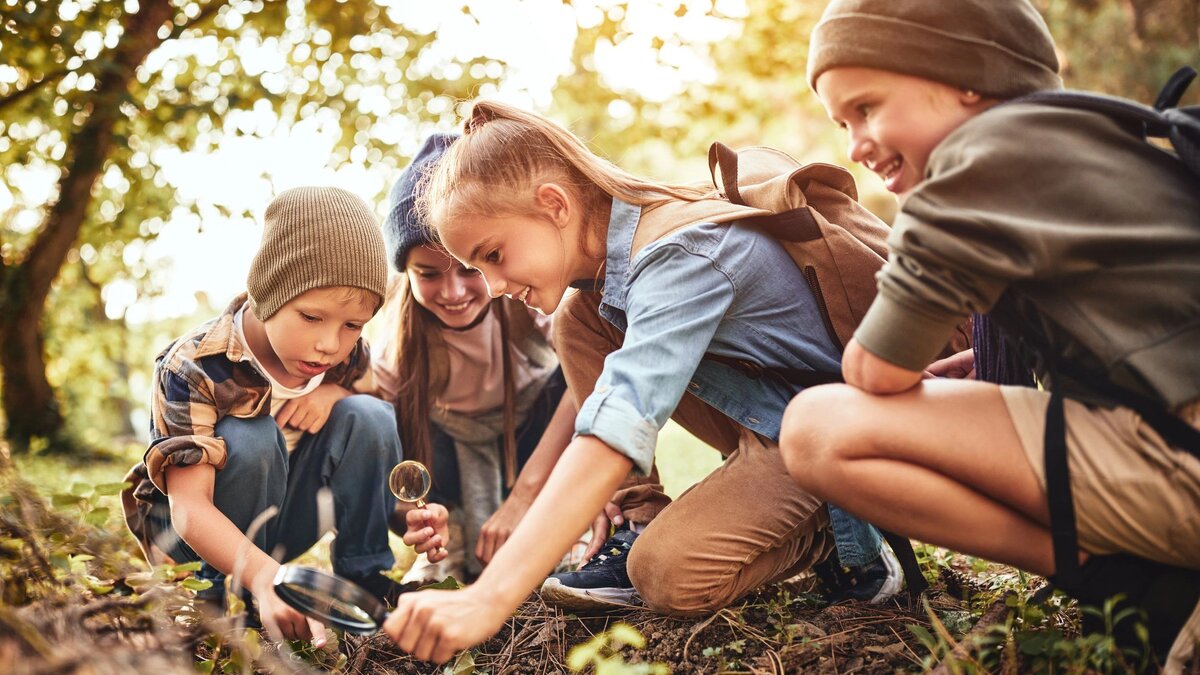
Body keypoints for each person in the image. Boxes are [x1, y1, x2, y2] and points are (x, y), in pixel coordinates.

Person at [379, 99, 919, 663]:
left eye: (492, 256)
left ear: (553, 204)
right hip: (776, 422)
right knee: (579, 319)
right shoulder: (601, 290)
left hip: (838, 435)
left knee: (666, 574)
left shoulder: (679, 256)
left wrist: (488, 598)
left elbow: (620, 420)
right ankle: (639, 520)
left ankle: (841, 527)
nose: (489, 286)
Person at [779, 1, 1200, 671]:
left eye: (866, 108)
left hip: (1182, 466)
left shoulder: (979, 159)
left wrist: (884, 363)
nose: (853, 145)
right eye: (840, 122)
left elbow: (874, 371)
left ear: (964, 79)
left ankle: (1116, 576)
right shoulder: (1078, 134)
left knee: (816, 427)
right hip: (1175, 438)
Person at [120, 186, 405, 646]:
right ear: (268, 294)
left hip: (275, 526)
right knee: (251, 435)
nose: (330, 344)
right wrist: (267, 576)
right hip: (193, 541)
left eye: (352, 325)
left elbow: (374, 394)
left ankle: (365, 581)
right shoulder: (196, 366)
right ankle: (205, 606)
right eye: (311, 316)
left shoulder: (340, 359)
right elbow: (189, 508)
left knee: (370, 415)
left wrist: (333, 393)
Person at [370, 132, 577, 583]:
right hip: (447, 459)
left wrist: (524, 495)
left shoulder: (524, 296)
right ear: (406, 273)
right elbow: (384, 448)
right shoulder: (393, 346)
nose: (453, 292)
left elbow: (594, 381)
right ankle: (448, 542)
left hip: (527, 445)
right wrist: (413, 514)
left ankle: (564, 527)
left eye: (469, 269)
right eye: (428, 275)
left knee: (576, 374)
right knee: (376, 417)